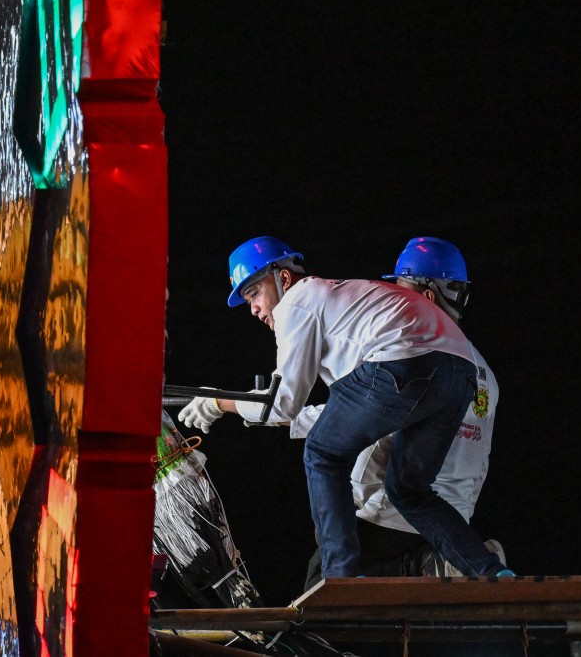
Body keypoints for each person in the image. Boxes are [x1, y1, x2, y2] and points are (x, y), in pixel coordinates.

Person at [179, 236, 511, 579]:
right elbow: (349, 412)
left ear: (284, 278)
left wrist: (221, 401)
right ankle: (488, 570)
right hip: (459, 381)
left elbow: (284, 404)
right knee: (410, 490)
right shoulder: (472, 361)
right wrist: (245, 405)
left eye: (254, 294)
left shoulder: (298, 302)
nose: (253, 309)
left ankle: (341, 576)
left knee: (322, 453)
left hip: (385, 498)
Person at [301, 237, 503, 586]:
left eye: (400, 290)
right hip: (451, 525)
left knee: (322, 589)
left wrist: (238, 406)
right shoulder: (482, 372)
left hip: (384, 517)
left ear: (427, 297)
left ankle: (418, 563)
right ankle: (441, 561)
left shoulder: (409, 355)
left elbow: (353, 419)